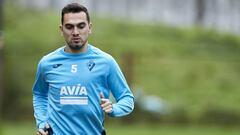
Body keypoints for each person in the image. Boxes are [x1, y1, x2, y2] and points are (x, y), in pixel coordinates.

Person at [32, 3, 134, 135]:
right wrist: (42, 122)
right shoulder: (47, 63)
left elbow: (127, 98)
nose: (75, 32)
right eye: (69, 27)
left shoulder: (106, 62)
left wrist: (113, 108)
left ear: (89, 28)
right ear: (61, 29)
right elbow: (39, 94)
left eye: (81, 26)